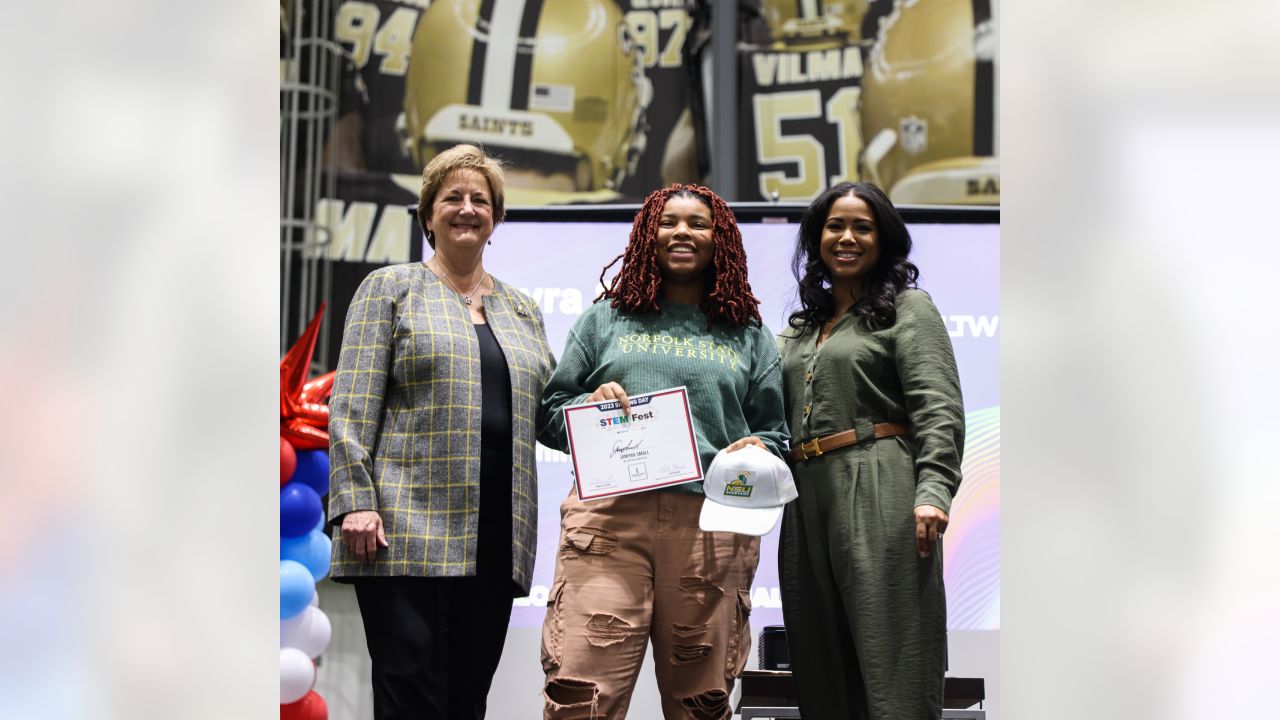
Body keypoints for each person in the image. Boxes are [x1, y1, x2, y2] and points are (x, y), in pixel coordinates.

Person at [537, 184, 790, 719]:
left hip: (712, 529)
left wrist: (756, 449)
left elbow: (775, 435)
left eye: (697, 223)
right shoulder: (605, 320)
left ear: (719, 237)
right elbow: (550, 412)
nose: (682, 232)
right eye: (668, 222)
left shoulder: (748, 334)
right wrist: (589, 406)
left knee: (700, 703)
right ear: (647, 235)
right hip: (608, 525)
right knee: (582, 699)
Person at [326, 143, 555, 720]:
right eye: (452, 197)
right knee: (410, 698)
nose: (467, 208)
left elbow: (546, 413)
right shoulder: (390, 288)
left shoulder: (523, 308)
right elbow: (351, 404)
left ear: (496, 218)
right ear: (428, 214)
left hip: (497, 537)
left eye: (481, 199)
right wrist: (355, 501)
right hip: (403, 530)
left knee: (466, 702)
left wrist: (606, 410)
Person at [777, 181, 964, 720]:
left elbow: (938, 406)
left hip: (880, 482)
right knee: (819, 666)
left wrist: (934, 491)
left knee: (893, 662)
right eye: (835, 226)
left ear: (884, 240)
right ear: (817, 239)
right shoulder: (801, 328)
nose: (847, 238)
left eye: (863, 227)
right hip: (804, 495)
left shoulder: (908, 308)